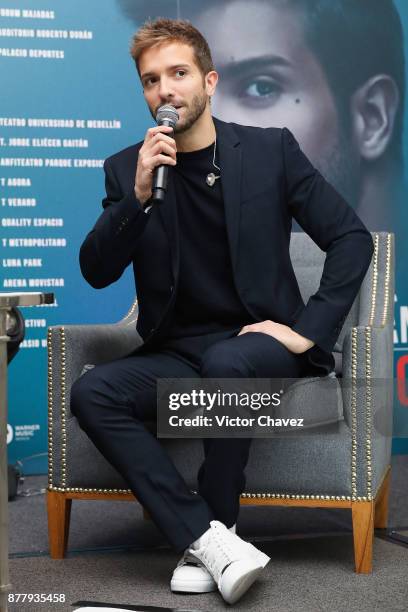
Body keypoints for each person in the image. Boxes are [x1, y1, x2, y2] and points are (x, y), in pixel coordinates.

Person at [71, 18, 374, 605]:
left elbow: (351, 238)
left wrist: (305, 334)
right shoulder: (126, 168)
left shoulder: (269, 151)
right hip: (178, 350)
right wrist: (134, 199)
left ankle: (217, 523)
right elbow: (95, 269)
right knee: (93, 393)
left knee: (230, 358)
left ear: (209, 83)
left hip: (255, 343)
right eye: (151, 80)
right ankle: (208, 537)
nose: (166, 90)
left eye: (178, 74)